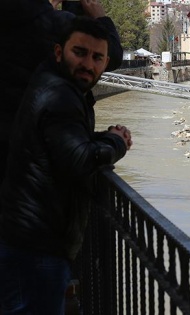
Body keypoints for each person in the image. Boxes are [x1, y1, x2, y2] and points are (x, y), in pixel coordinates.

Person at [0, 16, 132, 314]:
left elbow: (62, 141)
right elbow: (79, 159)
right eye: (80, 52)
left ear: (106, 61)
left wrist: (102, 138)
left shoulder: (55, 85)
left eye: (97, 57)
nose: (88, 63)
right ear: (59, 52)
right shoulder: (61, 95)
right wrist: (117, 143)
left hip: (28, 238)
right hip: (37, 246)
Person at [0, 0, 123, 182]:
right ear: (59, 52)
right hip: (39, 186)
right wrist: (100, 17)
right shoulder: (56, 94)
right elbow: (111, 53)